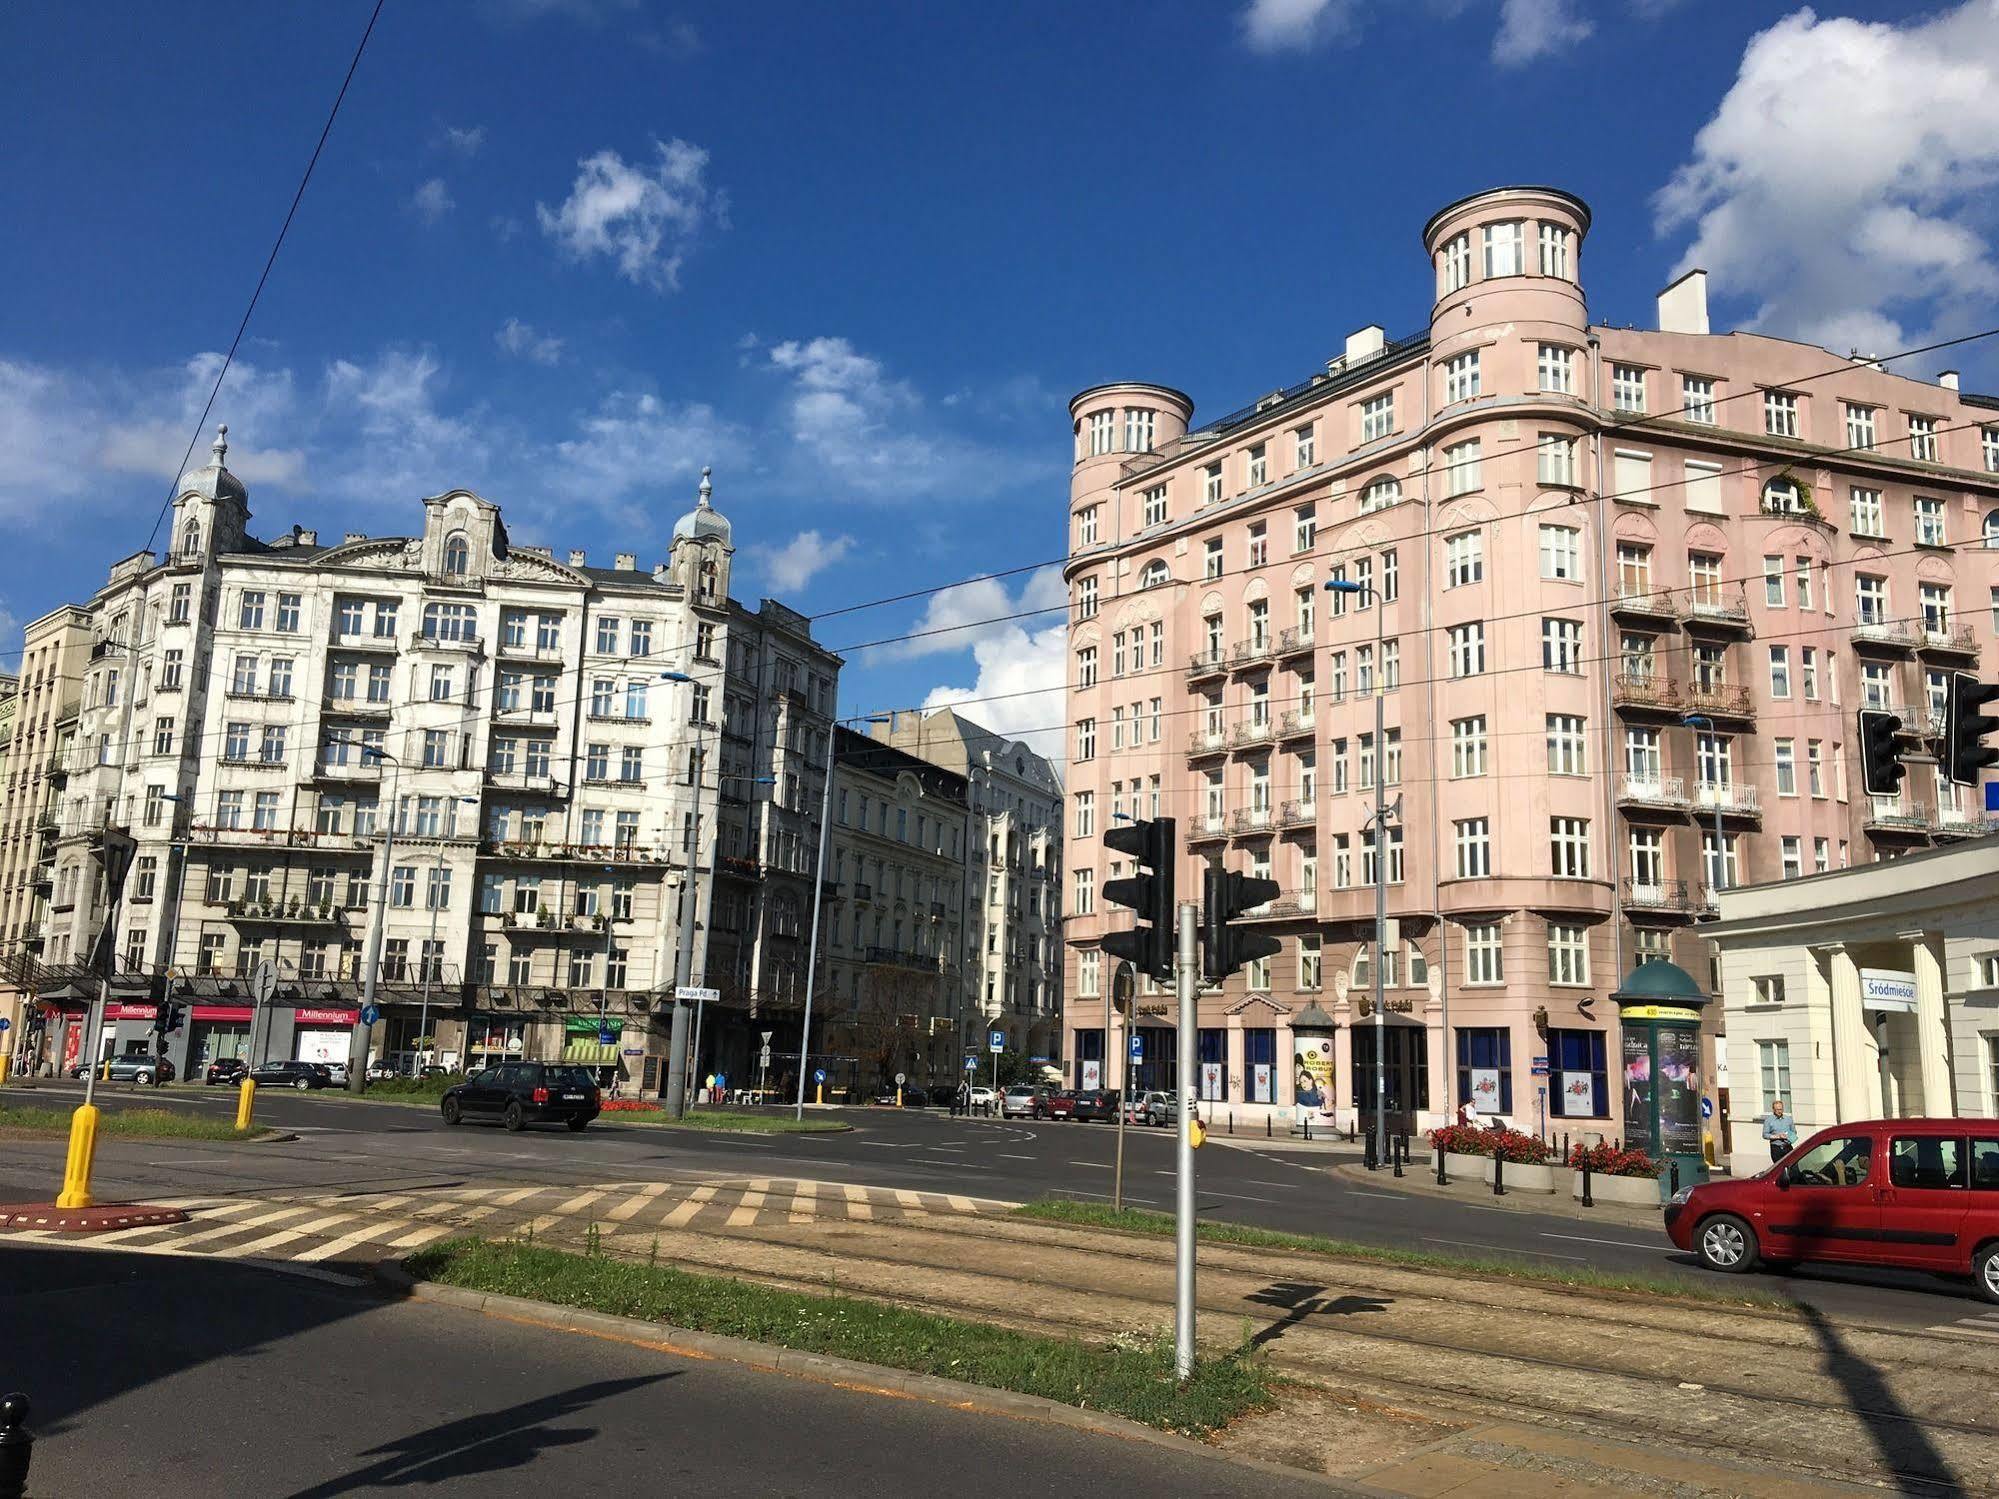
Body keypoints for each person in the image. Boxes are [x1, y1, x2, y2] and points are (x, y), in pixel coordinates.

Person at [1761, 1097, 1797, 1164]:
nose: (1779, 1111)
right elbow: (1764, 1135)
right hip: (1776, 1148)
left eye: (1781, 1109)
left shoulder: (1788, 1119)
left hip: (1787, 1147)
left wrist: (1788, 1136)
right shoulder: (1769, 1120)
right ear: (1773, 1110)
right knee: (1779, 1169)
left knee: (1793, 1167)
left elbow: (1794, 1132)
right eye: (1777, 1110)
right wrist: (1778, 1136)